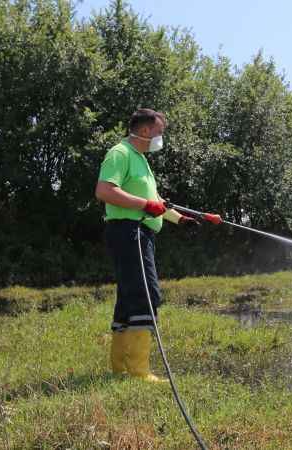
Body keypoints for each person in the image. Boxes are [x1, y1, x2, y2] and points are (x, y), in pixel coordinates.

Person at [95, 108, 211, 381]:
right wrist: (146, 205)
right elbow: (105, 191)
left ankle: (120, 368)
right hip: (129, 231)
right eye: (160, 132)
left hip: (138, 232)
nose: (161, 138)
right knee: (147, 294)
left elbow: (156, 202)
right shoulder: (120, 154)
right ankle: (139, 371)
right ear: (145, 130)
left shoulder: (141, 160)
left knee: (129, 297)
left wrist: (181, 219)